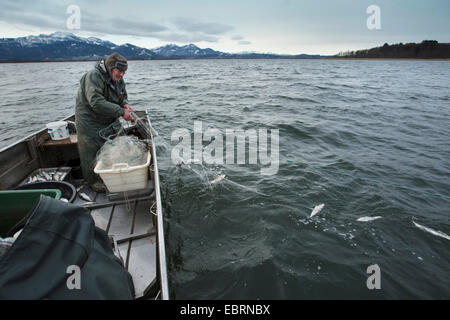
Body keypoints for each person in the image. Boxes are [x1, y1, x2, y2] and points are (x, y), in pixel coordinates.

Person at [75, 52, 134, 192]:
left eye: (124, 72)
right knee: (91, 152)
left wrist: (125, 104)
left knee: (120, 141)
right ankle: (93, 182)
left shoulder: (119, 80)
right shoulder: (93, 76)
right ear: (110, 67)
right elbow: (96, 101)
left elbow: (122, 96)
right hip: (90, 121)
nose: (121, 75)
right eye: (119, 71)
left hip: (109, 118)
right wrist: (121, 112)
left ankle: (117, 172)